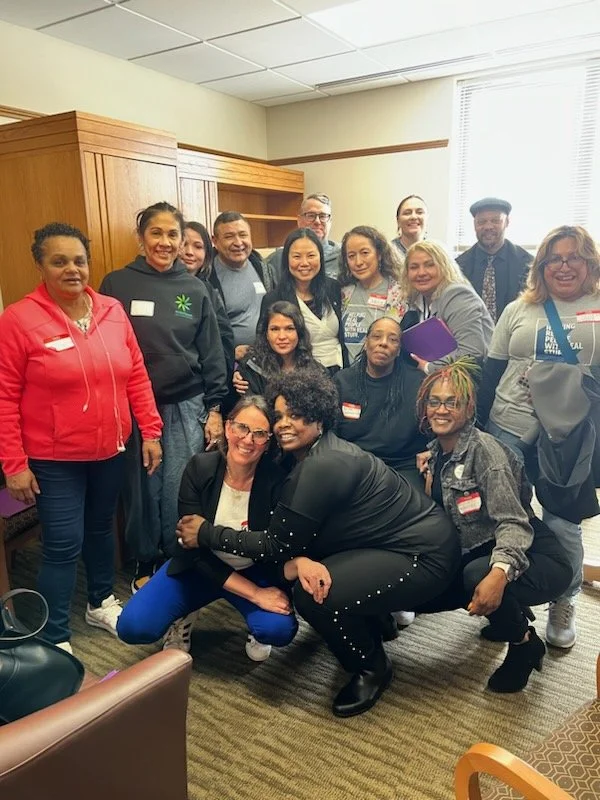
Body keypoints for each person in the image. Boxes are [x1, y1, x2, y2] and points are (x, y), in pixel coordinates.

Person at [178, 369, 461, 717]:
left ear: (319, 415)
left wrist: (206, 532)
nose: (284, 424)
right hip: (398, 545)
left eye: (296, 415)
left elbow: (276, 546)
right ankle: (376, 622)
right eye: (278, 416)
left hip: (424, 556)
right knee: (319, 565)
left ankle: (372, 668)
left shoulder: (321, 465)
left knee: (312, 593)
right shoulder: (312, 455)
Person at [0, 223, 163, 652]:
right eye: (59, 261)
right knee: (62, 543)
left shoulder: (111, 309)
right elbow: (4, 397)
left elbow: (137, 375)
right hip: (56, 458)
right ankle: (55, 636)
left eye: (79, 260)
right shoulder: (19, 319)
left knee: (100, 531)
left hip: (111, 449)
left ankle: (99, 602)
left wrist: (150, 430)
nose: (72, 269)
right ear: (41, 265)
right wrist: (14, 465)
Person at [412, 359, 571, 692]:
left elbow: (515, 523)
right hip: (484, 547)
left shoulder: (486, 454)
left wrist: (498, 575)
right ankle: (507, 613)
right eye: (434, 402)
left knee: (477, 579)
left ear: (469, 408)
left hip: (536, 556)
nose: (441, 410)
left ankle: (525, 643)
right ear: (425, 408)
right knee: (426, 598)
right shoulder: (437, 451)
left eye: (452, 402)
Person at [477, 225, 600, 650]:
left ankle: (563, 600)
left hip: (568, 436)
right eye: (554, 259)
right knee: (505, 516)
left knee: (563, 524)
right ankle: (515, 596)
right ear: (541, 267)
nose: (563, 267)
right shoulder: (518, 309)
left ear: (590, 263)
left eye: (574, 258)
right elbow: (490, 373)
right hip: (508, 425)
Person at [100, 202, 228, 593]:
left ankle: (179, 553)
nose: (165, 242)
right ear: (141, 239)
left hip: (185, 402)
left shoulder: (194, 287)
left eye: (173, 234)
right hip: (133, 407)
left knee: (179, 483)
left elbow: (212, 351)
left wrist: (216, 407)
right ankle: (145, 556)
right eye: (156, 233)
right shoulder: (116, 284)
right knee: (141, 486)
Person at [117, 396, 298, 662]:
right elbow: (191, 549)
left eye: (259, 434)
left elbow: (273, 546)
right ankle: (184, 613)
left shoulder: (277, 481)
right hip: (199, 567)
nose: (248, 440)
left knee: (278, 629)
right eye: (241, 428)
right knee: (133, 627)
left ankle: (254, 624)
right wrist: (256, 595)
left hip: (253, 570)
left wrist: (258, 588)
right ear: (227, 427)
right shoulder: (200, 467)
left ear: (268, 441)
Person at [334, 317, 426, 483]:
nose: (383, 343)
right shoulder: (343, 381)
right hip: (354, 464)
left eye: (393, 340)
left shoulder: (417, 382)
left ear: (399, 350)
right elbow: (331, 433)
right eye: (377, 336)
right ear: (366, 342)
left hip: (402, 466)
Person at [260, 228, 347, 375]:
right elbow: (262, 343)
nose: (304, 263)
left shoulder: (334, 288)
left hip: (339, 372)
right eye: (297, 256)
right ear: (286, 259)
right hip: (298, 378)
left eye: (311, 255)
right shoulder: (274, 299)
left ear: (321, 257)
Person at [400, 241, 494, 375]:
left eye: (430, 265)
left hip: (467, 386)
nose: (421, 273)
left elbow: (471, 353)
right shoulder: (417, 301)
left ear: (444, 267)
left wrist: (428, 368)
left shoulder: (456, 294)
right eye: (414, 267)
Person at [208, 211, 277, 363]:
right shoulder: (207, 278)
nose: (238, 242)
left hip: (269, 359)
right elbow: (206, 331)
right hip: (232, 364)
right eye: (229, 236)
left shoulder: (265, 269)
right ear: (215, 241)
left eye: (243, 235)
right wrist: (230, 351)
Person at [457, 197, 532, 323]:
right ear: (474, 225)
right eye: (481, 222)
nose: (488, 226)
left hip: (514, 336)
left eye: (495, 221)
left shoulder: (528, 265)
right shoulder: (459, 267)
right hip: (472, 338)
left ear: (507, 222)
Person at [338, 226, 407, 362]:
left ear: (379, 254)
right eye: (351, 256)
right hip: (349, 376)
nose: (358, 262)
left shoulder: (398, 293)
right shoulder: (344, 293)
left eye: (365, 253)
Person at [181, 220, 234, 375]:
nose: (189, 252)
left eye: (198, 246)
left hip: (207, 380)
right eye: (184, 244)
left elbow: (224, 336)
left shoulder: (208, 289)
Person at [234, 301, 322, 396]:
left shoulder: (317, 371)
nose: (282, 336)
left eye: (289, 329)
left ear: (299, 333)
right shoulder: (251, 368)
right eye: (274, 329)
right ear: (266, 334)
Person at [267, 193, 340, 280]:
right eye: (311, 215)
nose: (317, 221)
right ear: (299, 220)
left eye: (323, 216)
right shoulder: (278, 259)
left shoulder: (343, 257)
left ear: (330, 222)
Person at [391, 195, 428, 260]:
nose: (413, 217)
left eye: (419, 212)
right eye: (407, 213)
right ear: (398, 220)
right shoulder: (387, 253)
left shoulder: (436, 253)